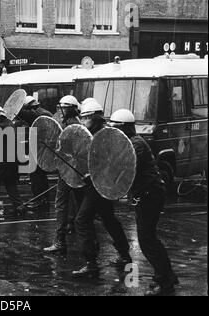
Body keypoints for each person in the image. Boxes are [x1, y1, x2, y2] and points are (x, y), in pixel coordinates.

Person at [109, 109, 179, 296]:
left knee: (147, 240)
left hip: (151, 195)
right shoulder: (131, 143)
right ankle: (166, 276)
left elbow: (124, 167)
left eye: (116, 128)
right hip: (147, 195)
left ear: (125, 128)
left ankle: (165, 281)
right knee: (149, 239)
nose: (115, 132)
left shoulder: (136, 145)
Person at [71, 99, 132, 278]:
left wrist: (93, 175)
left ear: (94, 117)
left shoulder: (105, 135)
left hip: (100, 185)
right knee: (108, 219)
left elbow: (111, 162)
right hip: (96, 184)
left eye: (86, 118)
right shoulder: (92, 133)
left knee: (82, 220)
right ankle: (124, 254)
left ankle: (91, 262)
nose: (82, 122)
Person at [44, 95, 81, 253]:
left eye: (64, 108)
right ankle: (70, 228)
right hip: (71, 170)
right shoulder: (71, 123)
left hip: (70, 169)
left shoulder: (73, 126)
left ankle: (60, 240)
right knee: (75, 202)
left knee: (62, 204)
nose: (61, 110)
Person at [0, 106, 25, 215]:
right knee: (10, 183)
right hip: (13, 159)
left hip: (3, 159)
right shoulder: (12, 124)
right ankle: (19, 205)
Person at [17, 96, 53, 211]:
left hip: (39, 149)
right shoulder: (45, 113)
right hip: (44, 149)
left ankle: (39, 200)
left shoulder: (36, 114)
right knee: (41, 176)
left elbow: (22, 113)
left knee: (36, 176)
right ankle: (43, 200)